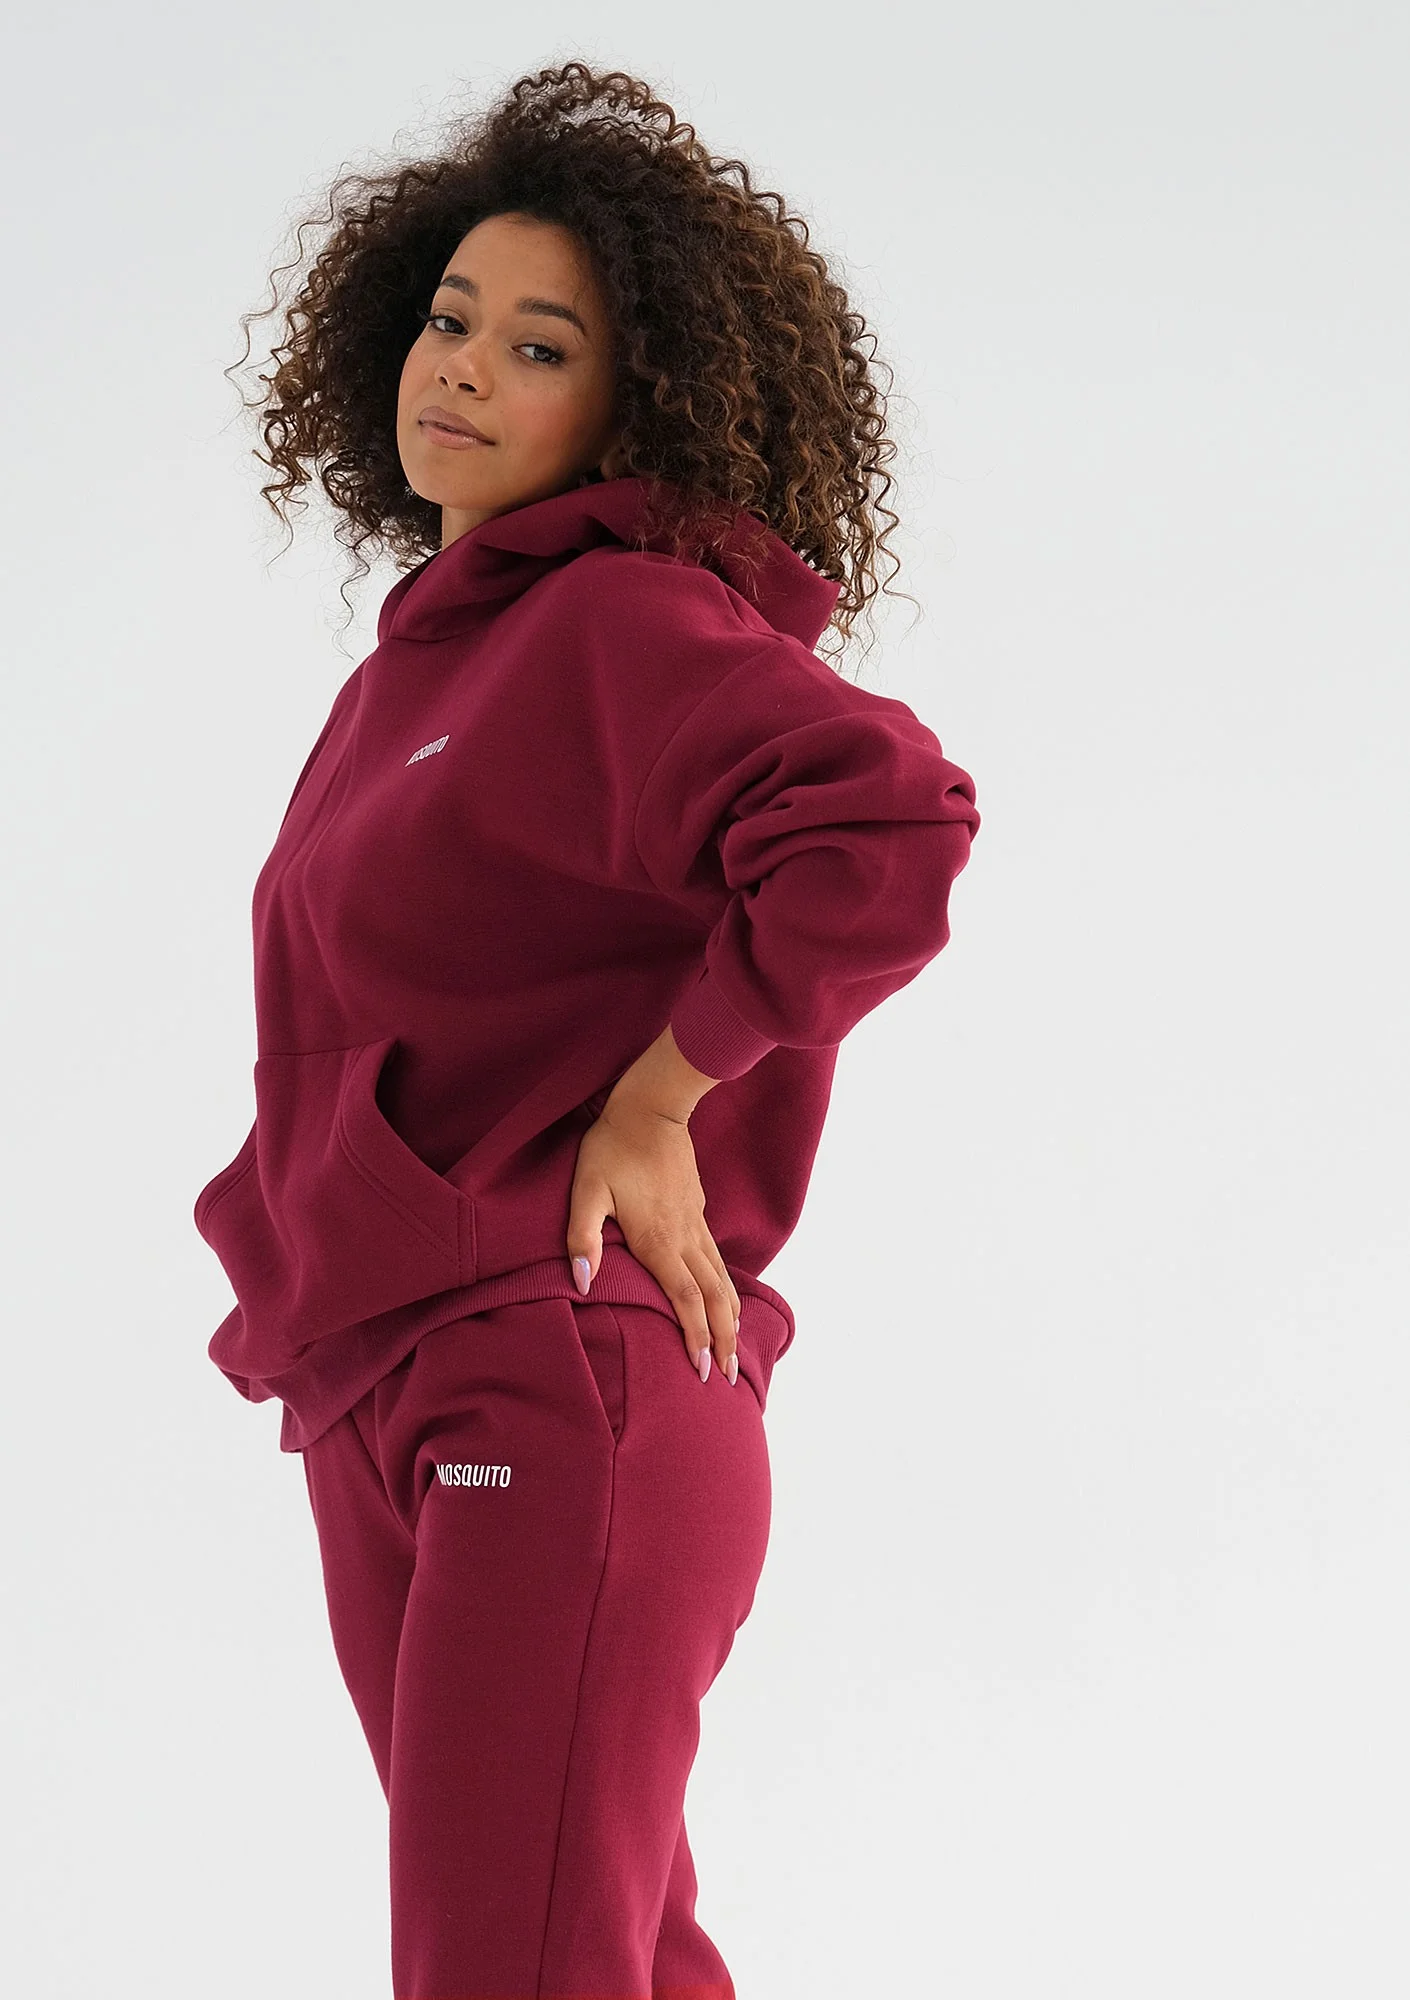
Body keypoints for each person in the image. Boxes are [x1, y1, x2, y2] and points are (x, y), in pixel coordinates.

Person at [194, 58, 982, 2000]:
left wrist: (661, 1097)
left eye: (538, 348)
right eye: (449, 318)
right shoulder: (425, 666)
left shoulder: (624, 621)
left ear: (635, 409)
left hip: (557, 1370)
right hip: (389, 1379)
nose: (462, 368)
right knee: (598, 1957)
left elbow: (886, 821)